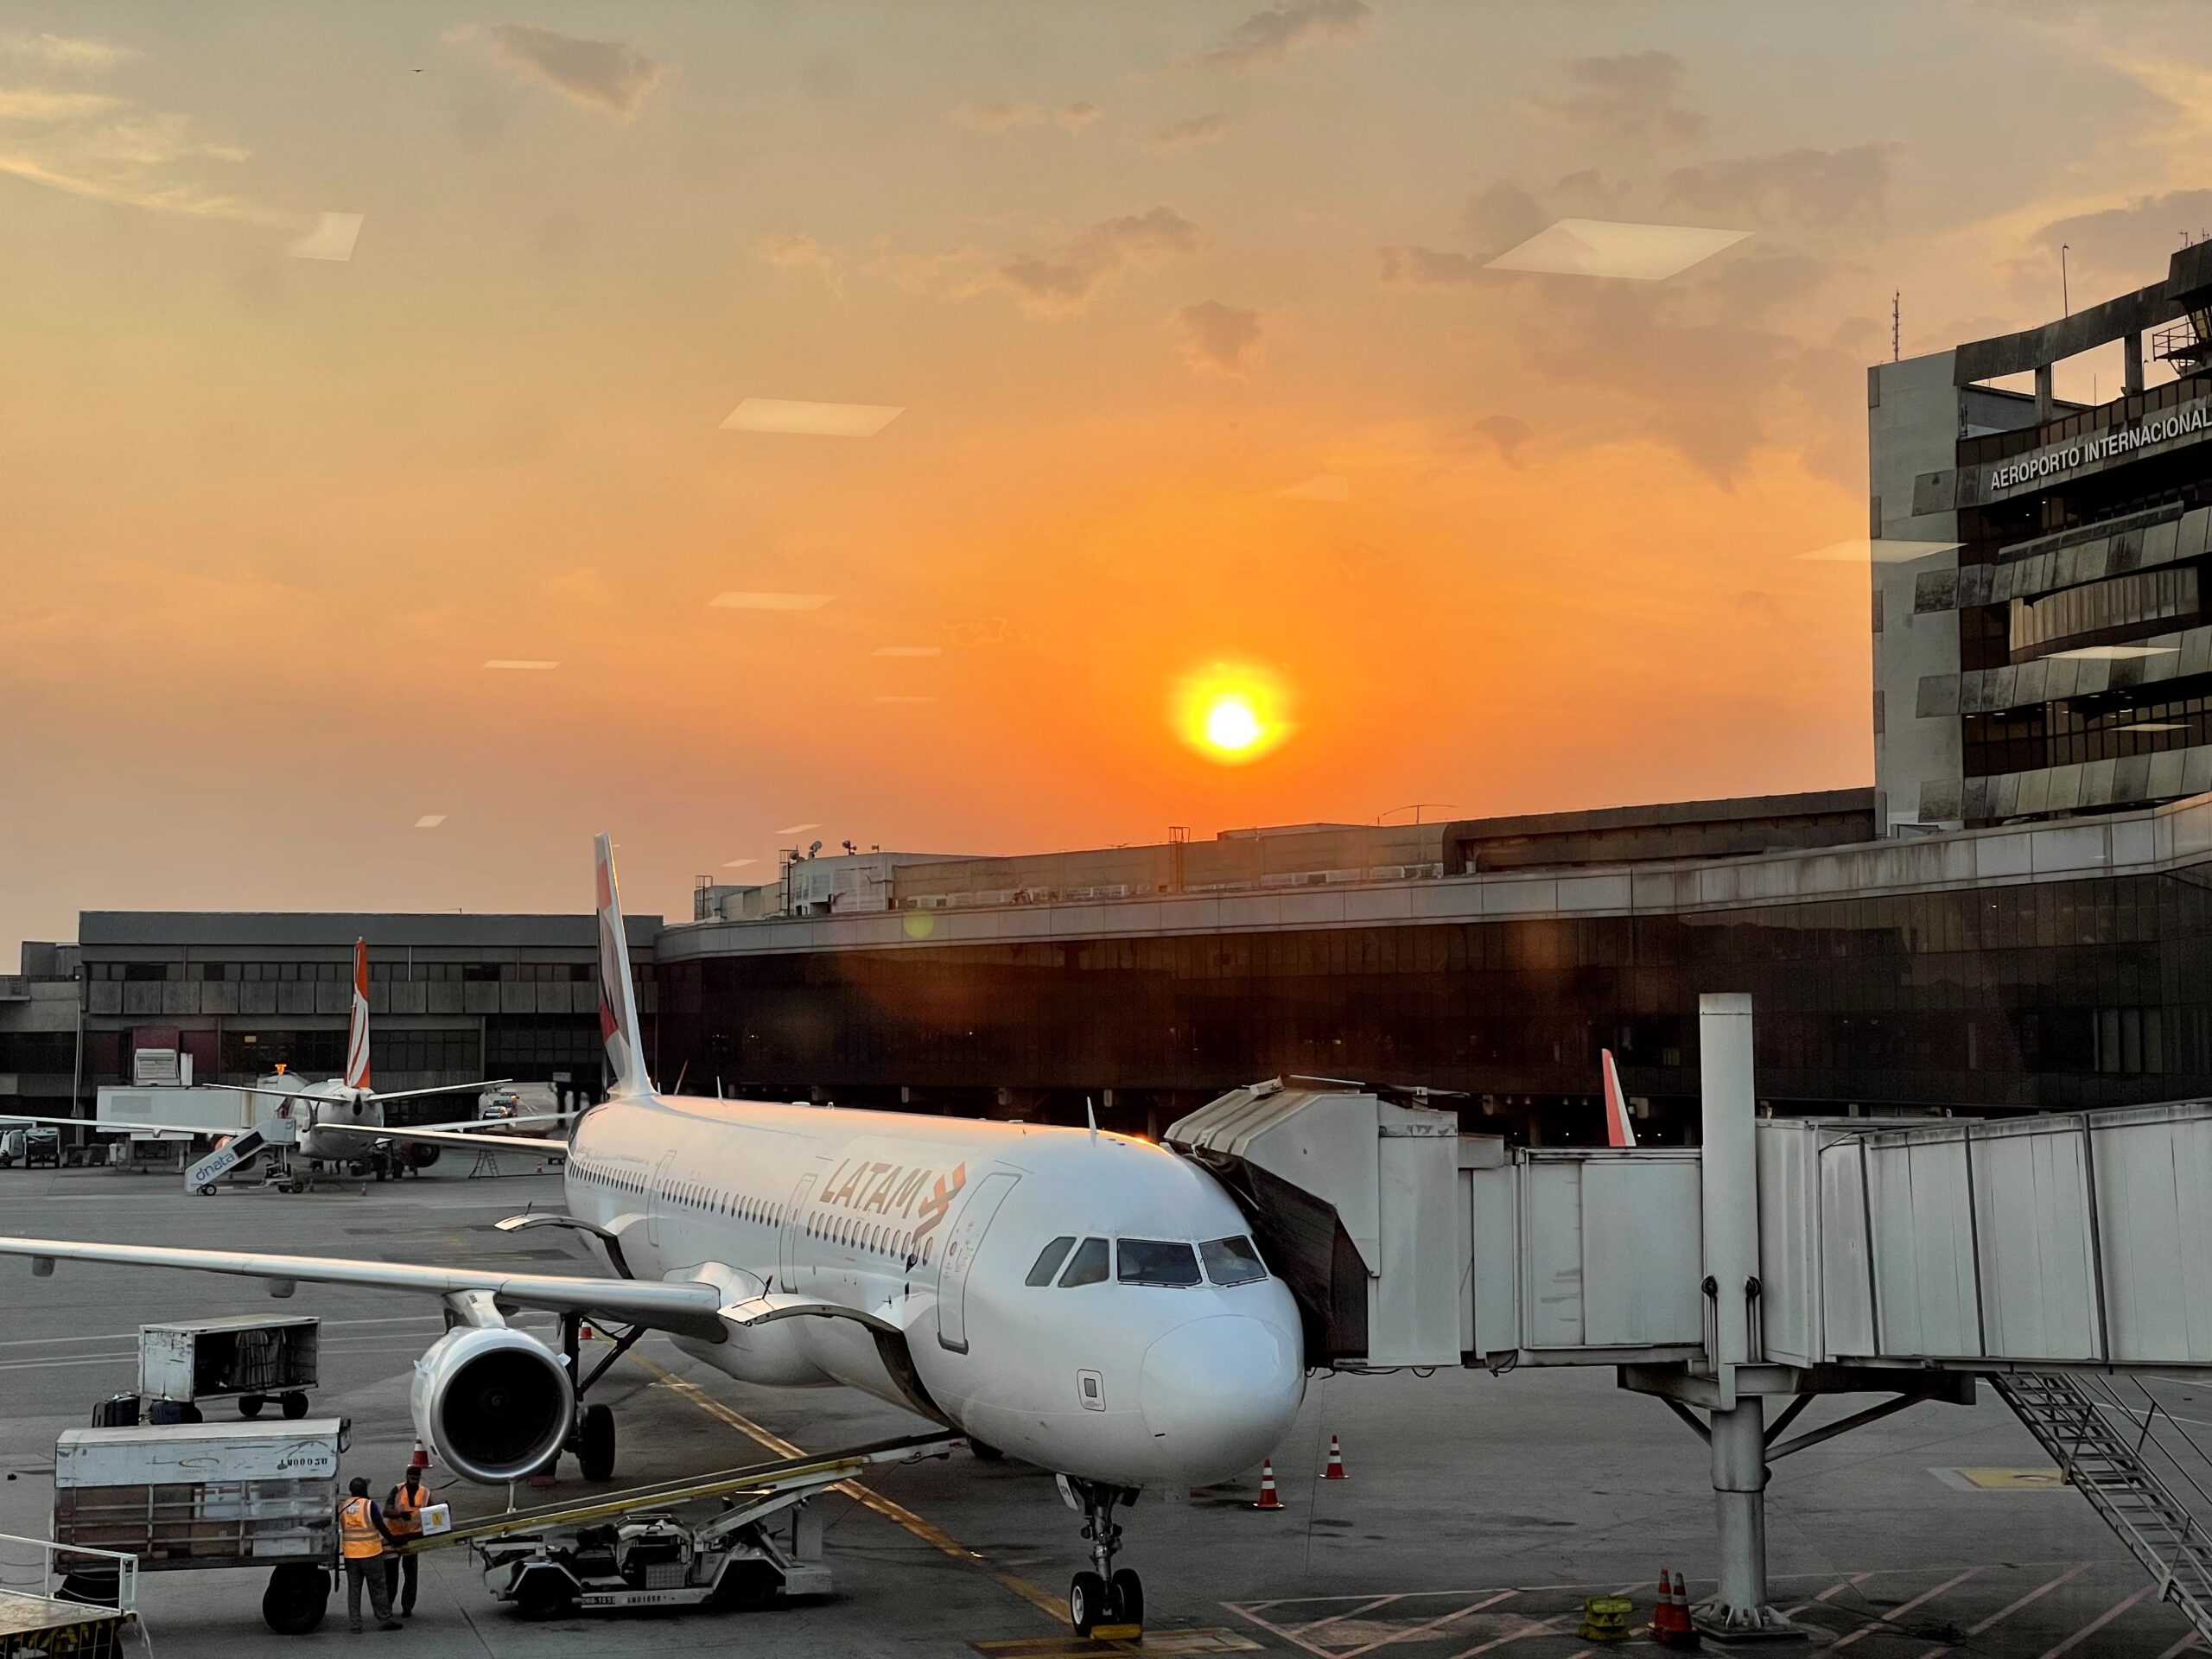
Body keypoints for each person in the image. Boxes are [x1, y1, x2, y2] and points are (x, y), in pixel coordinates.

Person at [337, 1475, 403, 1633]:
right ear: (364, 1490)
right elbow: (380, 1525)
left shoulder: (343, 1507)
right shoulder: (368, 1505)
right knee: (378, 1587)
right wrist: (393, 1540)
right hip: (370, 1553)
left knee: (354, 1589)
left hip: (351, 1555)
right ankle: (384, 1619)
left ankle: (355, 1624)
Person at [384, 1465, 428, 1617]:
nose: (414, 1482)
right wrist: (399, 1514)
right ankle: (387, 1606)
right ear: (406, 1477)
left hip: (412, 1538)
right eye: (411, 1479)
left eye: (417, 1479)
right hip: (393, 1538)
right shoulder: (397, 1490)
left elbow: (433, 1510)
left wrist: (443, 1511)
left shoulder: (424, 1492)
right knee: (391, 1575)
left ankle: (407, 1607)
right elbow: (386, 1511)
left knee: (411, 1575)